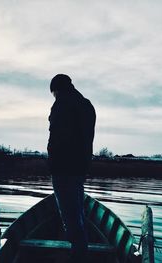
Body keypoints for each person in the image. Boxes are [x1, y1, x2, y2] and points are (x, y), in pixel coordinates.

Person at [47, 74, 96, 262]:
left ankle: (78, 257)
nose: (54, 96)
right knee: (77, 214)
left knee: (71, 219)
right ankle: (80, 251)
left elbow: (57, 139)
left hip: (62, 168)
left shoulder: (62, 104)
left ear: (56, 89)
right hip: (79, 168)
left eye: (53, 93)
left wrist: (52, 164)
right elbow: (86, 140)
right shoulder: (86, 105)